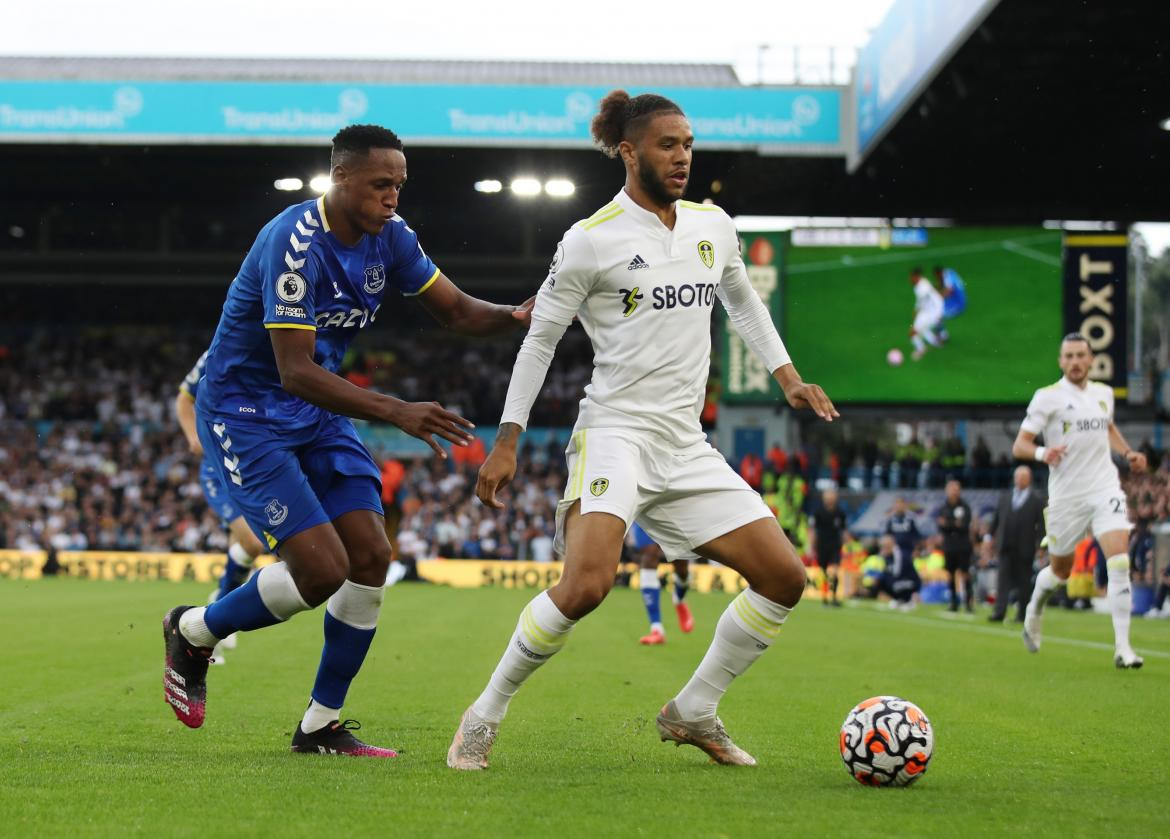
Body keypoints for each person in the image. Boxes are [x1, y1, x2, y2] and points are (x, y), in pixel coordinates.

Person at [446, 90, 837, 771]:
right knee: (589, 583)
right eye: (668, 144)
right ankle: (483, 714)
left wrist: (788, 377)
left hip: (684, 442)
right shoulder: (592, 238)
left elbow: (742, 298)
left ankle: (693, 710)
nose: (683, 155)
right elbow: (539, 341)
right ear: (628, 151)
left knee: (784, 576)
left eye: (688, 143)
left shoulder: (714, 226)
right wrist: (507, 437)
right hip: (615, 432)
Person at [161, 123, 535, 756]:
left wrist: (523, 316)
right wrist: (395, 410)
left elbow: (457, 311)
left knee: (369, 558)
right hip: (247, 411)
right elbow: (293, 369)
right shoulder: (293, 241)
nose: (393, 197)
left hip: (315, 410)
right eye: (381, 184)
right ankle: (195, 630)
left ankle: (319, 725)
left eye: (400, 185)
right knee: (322, 570)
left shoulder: (391, 237)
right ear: (340, 179)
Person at [1013, 333, 1148, 667]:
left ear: (1091, 360)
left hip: (1104, 488)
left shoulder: (1103, 393)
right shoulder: (1047, 398)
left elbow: (1108, 427)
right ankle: (1035, 608)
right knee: (1060, 573)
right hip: (1067, 497)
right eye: (1068, 356)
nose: (1074, 362)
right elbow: (1020, 445)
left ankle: (1123, 648)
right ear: (1061, 361)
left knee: (1118, 562)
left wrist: (1128, 452)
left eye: (1080, 356)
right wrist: (1045, 452)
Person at [174, 350, 266, 663]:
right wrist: (193, 438)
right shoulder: (216, 352)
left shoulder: (277, 345)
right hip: (220, 467)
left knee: (247, 549)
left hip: (255, 464)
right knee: (253, 543)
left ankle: (217, 612)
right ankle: (215, 615)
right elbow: (183, 398)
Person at [988, 466, 1045, 622]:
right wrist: (989, 537)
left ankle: (1022, 614)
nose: (1020, 480)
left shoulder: (1036, 499)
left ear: (1029, 479)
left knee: (1024, 582)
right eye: (1018, 477)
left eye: (1023, 477)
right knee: (1002, 581)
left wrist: (1041, 545)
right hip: (1005, 545)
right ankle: (999, 612)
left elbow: (1041, 524)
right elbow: (996, 519)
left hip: (1025, 547)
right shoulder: (1005, 496)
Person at [630, 522, 694, 645]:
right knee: (649, 555)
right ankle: (656, 629)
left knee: (681, 567)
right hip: (645, 511)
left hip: (672, 514)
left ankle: (679, 599)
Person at [937, 479, 975, 612]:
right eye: (951, 489)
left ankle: (969, 603)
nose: (953, 492)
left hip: (963, 546)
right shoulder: (943, 507)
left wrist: (948, 523)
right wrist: (954, 524)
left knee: (965, 574)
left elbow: (964, 525)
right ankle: (953, 602)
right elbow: (941, 526)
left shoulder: (964, 506)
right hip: (949, 546)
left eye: (956, 489)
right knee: (950, 574)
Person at [809, 487, 847, 607]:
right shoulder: (818, 513)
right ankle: (824, 597)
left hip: (835, 546)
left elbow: (844, 531)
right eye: (828, 495)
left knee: (834, 571)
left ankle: (834, 597)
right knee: (824, 573)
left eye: (832, 495)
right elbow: (813, 531)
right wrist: (811, 547)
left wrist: (846, 545)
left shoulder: (840, 513)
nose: (830, 498)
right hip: (822, 546)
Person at [908, 266, 944, 361]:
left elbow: (921, 304)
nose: (910, 279)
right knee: (922, 329)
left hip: (931, 312)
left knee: (912, 332)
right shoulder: (923, 282)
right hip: (932, 310)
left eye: (911, 277)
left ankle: (921, 349)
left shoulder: (921, 288)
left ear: (916, 277)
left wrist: (915, 313)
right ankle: (936, 342)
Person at [878, 533, 920, 610]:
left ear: (890, 545)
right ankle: (898, 599)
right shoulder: (889, 555)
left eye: (885, 546)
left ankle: (908, 600)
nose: (883, 549)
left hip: (911, 581)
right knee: (882, 580)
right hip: (902, 579)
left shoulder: (899, 554)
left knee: (890, 582)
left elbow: (897, 572)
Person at [883, 496, 921, 566]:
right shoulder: (890, 520)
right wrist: (885, 549)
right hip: (894, 552)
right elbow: (887, 536)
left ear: (905, 505)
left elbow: (916, 536)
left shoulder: (911, 519)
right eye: (897, 503)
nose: (899, 505)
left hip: (908, 551)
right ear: (894, 505)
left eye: (901, 503)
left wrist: (916, 549)